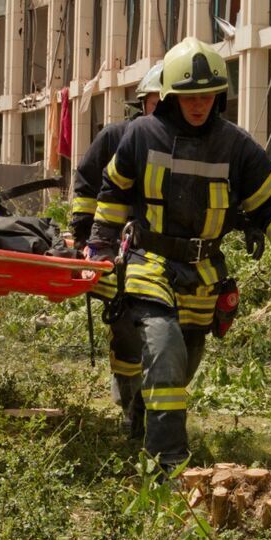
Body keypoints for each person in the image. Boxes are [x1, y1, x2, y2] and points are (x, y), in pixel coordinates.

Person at [88, 37, 271, 471]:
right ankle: (167, 463)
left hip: (204, 272)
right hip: (148, 263)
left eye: (206, 95)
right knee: (164, 351)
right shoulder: (141, 135)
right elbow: (113, 190)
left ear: (219, 96)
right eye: (189, 96)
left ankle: (142, 416)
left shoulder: (237, 146)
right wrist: (99, 244)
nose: (198, 104)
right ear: (170, 95)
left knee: (183, 364)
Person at [70, 62, 164, 437]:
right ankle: (131, 411)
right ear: (144, 103)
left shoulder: (186, 145)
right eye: (160, 102)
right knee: (125, 328)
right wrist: (84, 239)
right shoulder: (115, 137)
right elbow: (86, 187)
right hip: (117, 254)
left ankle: (145, 406)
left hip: (165, 258)